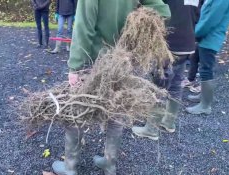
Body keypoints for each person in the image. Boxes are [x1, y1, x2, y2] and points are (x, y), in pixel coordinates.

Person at [51, 1, 171, 175]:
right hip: (123, 62)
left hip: (94, 63)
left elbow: (84, 26)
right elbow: (163, 11)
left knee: (76, 109)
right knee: (116, 112)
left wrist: (75, 66)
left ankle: (70, 166)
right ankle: (109, 164)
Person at [132, 0, 200, 140]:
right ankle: (169, 122)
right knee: (176, 84)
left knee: (159, 85)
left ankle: (151, 129)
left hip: (169, 43)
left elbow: (155, 11)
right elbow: (198, 16)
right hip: (187, 43)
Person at [186, 0, 229, 115]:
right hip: (205, 36)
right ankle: (203, 96)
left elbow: (212, 18)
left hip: (210, 37)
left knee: (206, 69)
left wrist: (196, 33)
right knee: (196, 59)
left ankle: (205, 105)